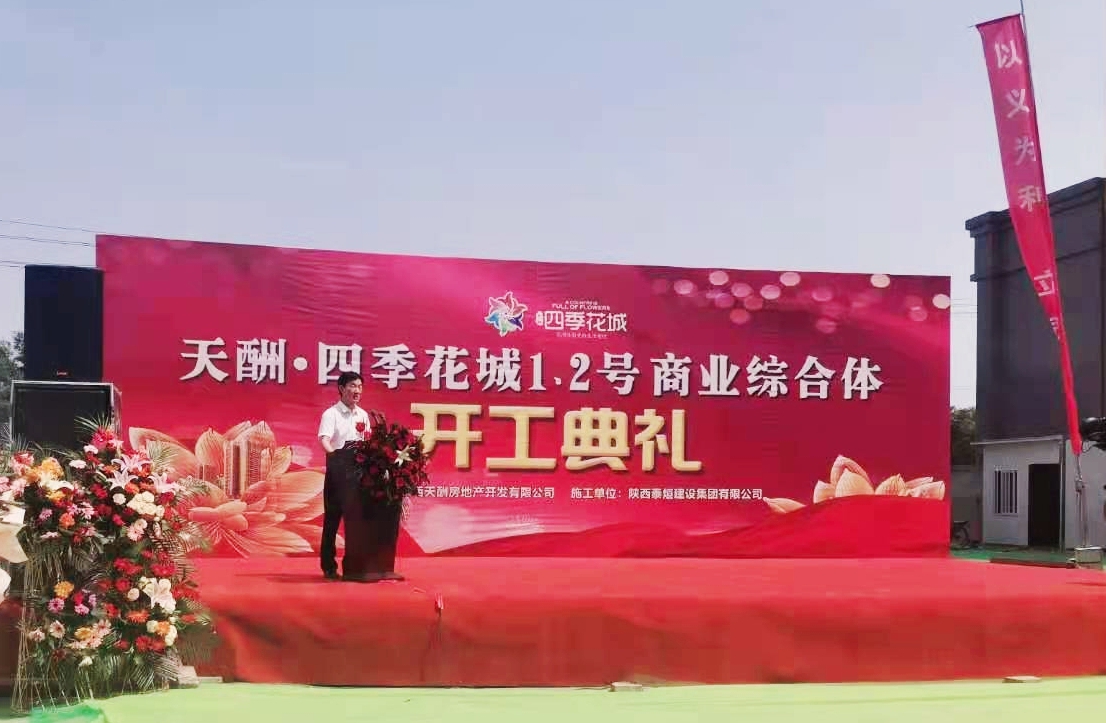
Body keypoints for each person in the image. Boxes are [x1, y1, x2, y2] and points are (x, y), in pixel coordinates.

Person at [317, 371, 370, 580]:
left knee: (356, 522)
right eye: (353, 386)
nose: (357, 390)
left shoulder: (363, 415)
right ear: (341, 388)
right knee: (332, 521)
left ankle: (355, 565)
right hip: (337, 474)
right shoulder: (331, 414)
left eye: (360, 387)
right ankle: (328, 566)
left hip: (358, 475)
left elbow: (367, 441)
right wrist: (335, 457)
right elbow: (324, 439)